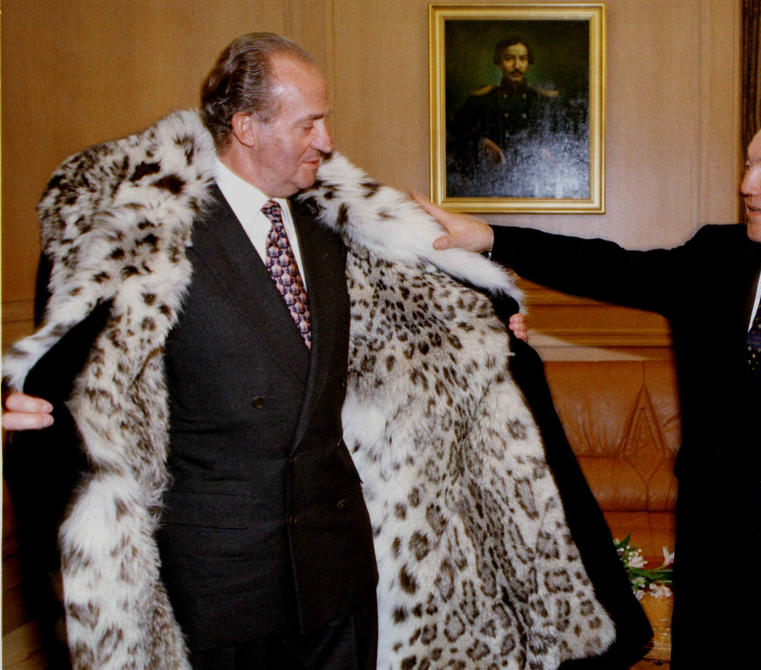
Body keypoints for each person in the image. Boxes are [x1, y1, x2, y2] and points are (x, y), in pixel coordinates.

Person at [2, 32, 644, 670]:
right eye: (308, 123)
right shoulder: (153, 229)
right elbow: (72, 371)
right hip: (219, 583)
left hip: (338, 573)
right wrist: (18, 402)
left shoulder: (334, 224)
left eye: (324, 121)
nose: (327, 141)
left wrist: (488, 325)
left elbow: (414, 319)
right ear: (247, 126)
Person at [418, 99, 761, 670]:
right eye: (748, 165)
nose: (746, 183)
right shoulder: (717, 257)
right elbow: (608, 266)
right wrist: (489, 237)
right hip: (713, 582)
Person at [447, 36, 588, 199]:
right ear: (498, 62)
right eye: (509, 59)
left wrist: (548, 150)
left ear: (529, 63)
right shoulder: (481, 99)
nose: (517, 66)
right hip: (490, 183)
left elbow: (568, 140)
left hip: (537, 182)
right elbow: (456, 136)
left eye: (523, 59)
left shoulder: (544, 99)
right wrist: (481, 144)